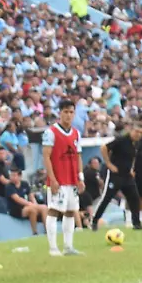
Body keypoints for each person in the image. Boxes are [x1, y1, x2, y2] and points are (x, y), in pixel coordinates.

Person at [42, 100, 84, 256]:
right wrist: (52, 179)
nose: (68, 115)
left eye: (71, 112)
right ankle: (53, 248)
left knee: (70, 212)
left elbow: (78, 156)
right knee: (53, 211)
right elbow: (46, 156)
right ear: (60, 113)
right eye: (65, 112)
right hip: (58, 179)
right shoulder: (51, 132)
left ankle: (68, 246)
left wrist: (80, 177)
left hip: (72, 179)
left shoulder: (76, 133)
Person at [91, 122, 142, 231]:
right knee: (106, 198)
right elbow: (104, 148)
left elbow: (133, 157)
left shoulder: (136, 144)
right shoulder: (121, 140)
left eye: (140, 133)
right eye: (136, 132)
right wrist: (109, 164)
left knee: (134, 198)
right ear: (131, 130)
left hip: (127, 175)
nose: (138, 134)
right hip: (115, 174)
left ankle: (136, 223)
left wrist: (131, 168)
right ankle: (94, 221)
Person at [5, 168, 47, 234]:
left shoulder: (24, 184)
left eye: (14, 175)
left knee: (44, 207)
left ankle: (47, 230)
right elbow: (17, 199)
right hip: (16, 210)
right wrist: (30, 204)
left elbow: (31, 196)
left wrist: (35, 203)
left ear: (20, 176)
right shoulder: (9, 186)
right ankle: (34, 232)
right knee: (32, 210)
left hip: (27, 206)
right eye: (11, 175)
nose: (12, 177)